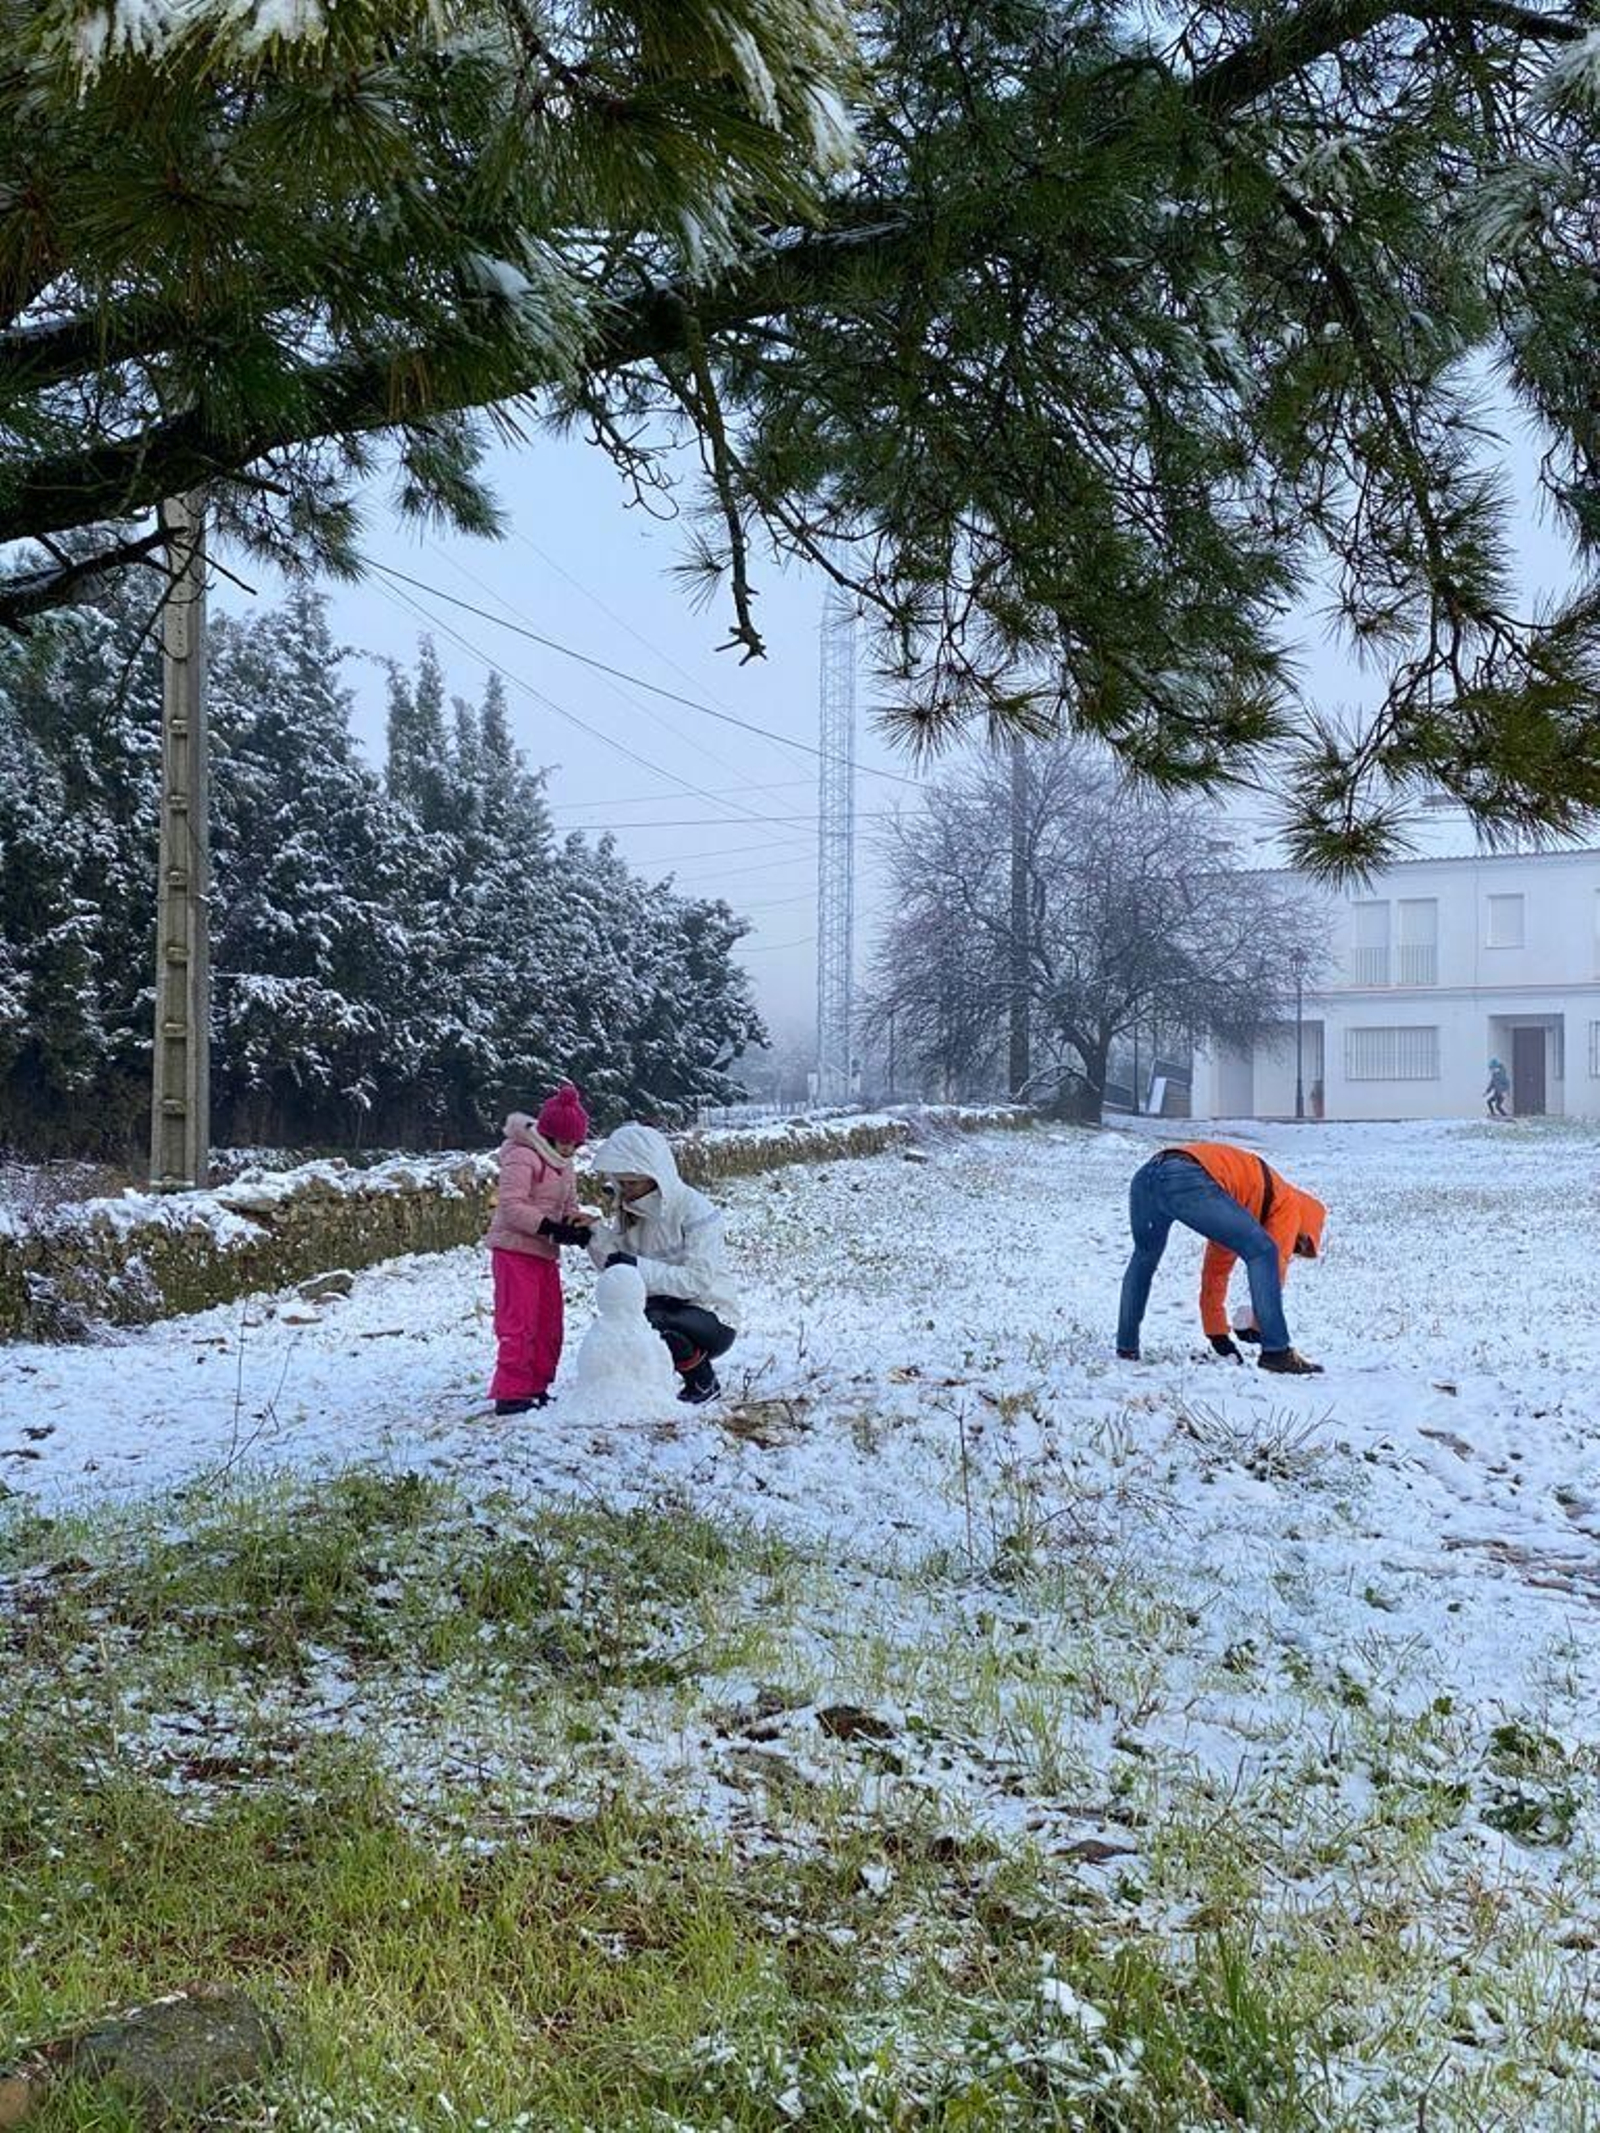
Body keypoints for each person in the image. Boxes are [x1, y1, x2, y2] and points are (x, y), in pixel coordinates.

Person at [1116, 1140, 1327, 1375]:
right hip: (1187, 1176)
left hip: (1148, 1176)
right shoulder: (1289, 1203)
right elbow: (1274, 1260)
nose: (1294, 1249)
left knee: (1144, 1258)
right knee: (1265, 1250)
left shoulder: (1243, 1202)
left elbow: (1216, 1271)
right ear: (1305, 1224)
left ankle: (1127, 1348)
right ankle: (1277, 1352)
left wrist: (1218, 1336)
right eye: (1299, 1244)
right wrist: (1259, 1326)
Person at [585, 1122, 738, 1405]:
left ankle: (703, 1383)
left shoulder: (695, 1210)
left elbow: (697, 1280)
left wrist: (637, 1267)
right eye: (622, 1183)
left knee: (655, 1323)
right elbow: (619, 1265)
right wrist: (590, 1234)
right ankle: (643, 1389)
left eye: (633, 1183)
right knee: (628, 1322)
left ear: (656, 1176)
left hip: (712, 1315)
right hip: (663, 1305)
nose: (626, 1190)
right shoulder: (631, 1211)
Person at [484, 1082, 596, 1416]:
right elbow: (511, 1207)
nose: (569, 1150)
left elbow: (567, 1204)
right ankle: (511, 1391)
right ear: (546, 1135)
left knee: (549, 1323)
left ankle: (537, 1385)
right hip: (514, 1251)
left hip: (544, 1252)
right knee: (519, 1322)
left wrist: (575, 1224)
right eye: (564, 1142)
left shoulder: (564, 1163)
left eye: (575, 1145)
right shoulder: (521, 1156)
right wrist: (551, 1228)